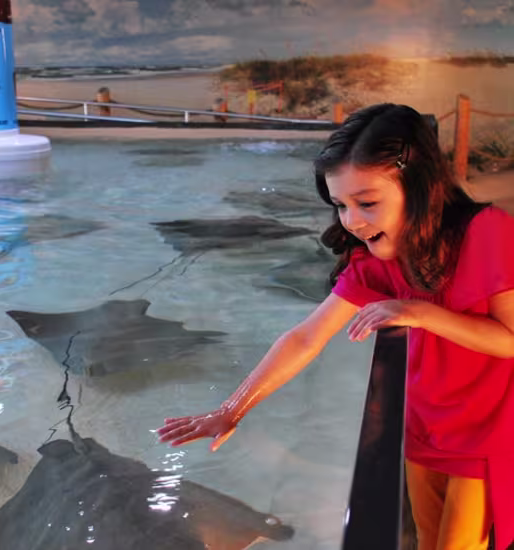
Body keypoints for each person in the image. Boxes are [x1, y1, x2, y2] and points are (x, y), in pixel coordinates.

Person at [158, 104, 514, 550]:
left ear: (420, 186)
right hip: (424, 421)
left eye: (367, 203)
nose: (351, 221)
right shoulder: (374, 262)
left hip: (489, 426)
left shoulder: (487, 231)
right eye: (341, 205)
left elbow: (510, 339)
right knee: (427, 536)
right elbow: (306, 336)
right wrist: (231, 409)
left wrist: (420, 313)